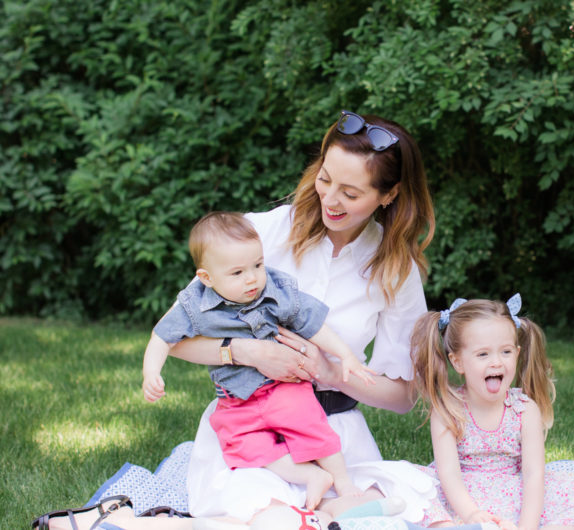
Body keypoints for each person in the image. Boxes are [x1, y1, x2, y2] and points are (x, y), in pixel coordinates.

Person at [168, 110, 437, 522]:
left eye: (351, 193)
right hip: (254, 434)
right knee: (271, 518)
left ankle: (334, 503)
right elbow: (174, 337)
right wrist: (244, 352)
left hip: (333, 439)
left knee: (399, 507)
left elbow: (404, 398)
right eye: (325, 179)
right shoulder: (265, 232)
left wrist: (330, 372)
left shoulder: (396, 270)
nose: (329, 199)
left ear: (388, 194)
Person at [142, 211, 376, 509]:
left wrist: (346, 355)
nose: (252, 278)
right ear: (206, 277)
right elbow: (163, 337)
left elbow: (314, 325)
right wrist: (151, 373)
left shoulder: (275, 292)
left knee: (310, 426)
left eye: (257, 265)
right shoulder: (195, 304)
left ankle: (342, 481)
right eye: (237, 273)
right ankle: (310, 476)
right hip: (236, 401)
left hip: (283, 388)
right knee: (241, 446)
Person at [410, 295, 574, 529]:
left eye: (505, 352)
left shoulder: (524, 410)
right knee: (410, 492)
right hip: (461, 498)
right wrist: (472, 514)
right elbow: (449, 475)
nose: (496, 362)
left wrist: (528, 525)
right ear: (458, 362)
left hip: (514, 493)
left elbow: (534, 474)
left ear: (517, 352)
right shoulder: (448, 410)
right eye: (483, 354)